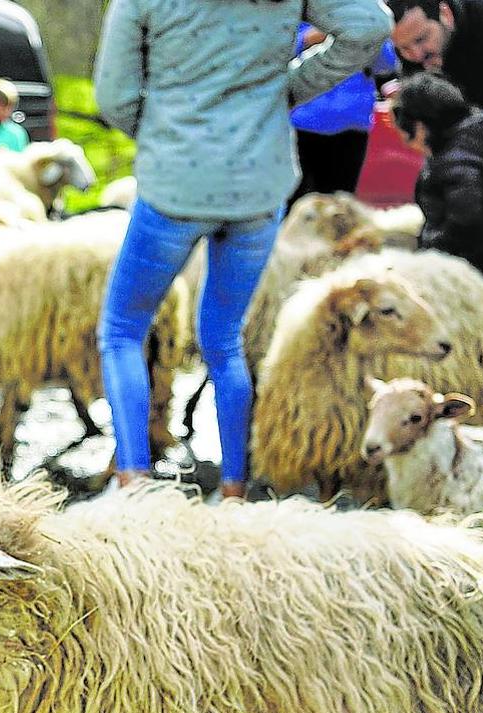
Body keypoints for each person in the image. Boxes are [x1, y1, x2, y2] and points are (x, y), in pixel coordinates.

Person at [93, 0, 391, 498]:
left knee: (122, 330)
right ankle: (234, 489)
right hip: (257, 185)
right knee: (225, 339)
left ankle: (134, 484)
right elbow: (370, 23)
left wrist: (167, 130)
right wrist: (290, 87)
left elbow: (114, 96)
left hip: (175, 184)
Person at [393, 72, 483, 276]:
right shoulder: (477, 137)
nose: (405, 141)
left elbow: (464, 222)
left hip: (468, 272)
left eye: (404, 131)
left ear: (420, 127)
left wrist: (428, 256)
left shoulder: (457, 160)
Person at [289, 25, 399, 203]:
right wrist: (307, 39)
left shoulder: (364, 16)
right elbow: (276, 52)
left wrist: (371, 36)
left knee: (340, 204)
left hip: (351, 125)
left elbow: (387, 64)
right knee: (294, 200)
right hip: (302, 124)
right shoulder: (301, 11)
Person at [386, 0, 483, 112]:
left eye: (421, 39)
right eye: (404, 48)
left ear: (446, 15)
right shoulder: (414, 57)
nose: (417, 54)